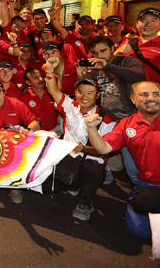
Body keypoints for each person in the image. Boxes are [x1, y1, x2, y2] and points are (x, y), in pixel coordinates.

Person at [84, 81, 160, 237]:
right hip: (147, 185)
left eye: (156, 94)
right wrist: (91, 128)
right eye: (143, 94)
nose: (151, 98)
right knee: (138, 231)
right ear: (132, 99)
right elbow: (103, 148)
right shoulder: (127, 125)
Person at [45, 58, 116, 221]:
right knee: (42, 186)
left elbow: (105, 152)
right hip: (67, 159)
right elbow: (53, 90)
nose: (84, 96)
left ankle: (85, 202)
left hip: (90, 163)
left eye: (90, 93)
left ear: (97, 95)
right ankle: (74, 185)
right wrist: (50, 70)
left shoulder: (106, 120)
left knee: (91, 168)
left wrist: (84, 149)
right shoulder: (71, 105)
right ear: (75, 93)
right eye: (80, 92)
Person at [115, 8, 160, 95]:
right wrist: (117, 53)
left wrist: (158, 94)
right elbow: (110, 67)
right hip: (122, 96)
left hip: (146, 98)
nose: (147, 25)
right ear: (136, 24)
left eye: (153, 21)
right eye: (143, 21)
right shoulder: (126, 43)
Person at [20, 68, 60, 133]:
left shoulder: (52, 93)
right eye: (36, 78)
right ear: (28, 82)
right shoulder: (24, 98)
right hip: (35, 133)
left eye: (41, 76)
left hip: (55, 130)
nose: (41, 79)